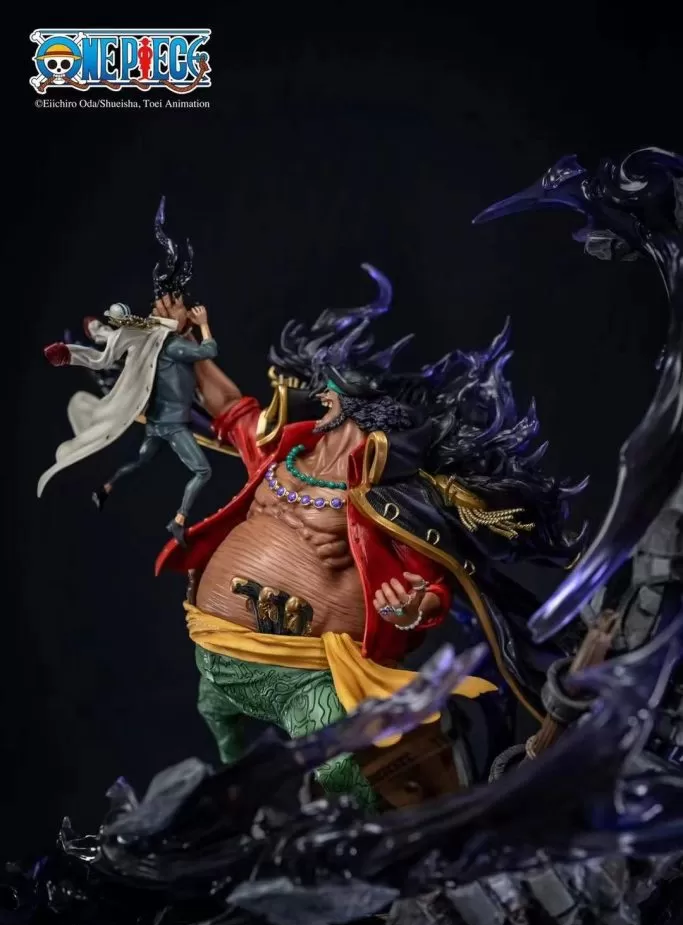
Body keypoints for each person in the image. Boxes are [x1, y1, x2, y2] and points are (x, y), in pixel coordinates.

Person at [155, 264, 585, 806]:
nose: (318, 395)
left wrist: (413, 606)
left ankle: (398, 838)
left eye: (329, 390)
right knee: (219, 729)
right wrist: (188, 344)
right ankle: (235, 806)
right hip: (214, 649)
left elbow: (431, 585)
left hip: (306, 680)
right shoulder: (281, 451)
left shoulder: (392, 500)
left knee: (342, 775)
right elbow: (229, 409)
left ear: (354, 407)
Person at [38, 198, 217, 546]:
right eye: (180, 306)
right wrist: (204, 324)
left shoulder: (155, 336)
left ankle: (107, 487)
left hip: (160, 420)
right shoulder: (170, 343)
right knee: (203, 470)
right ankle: (178, 521)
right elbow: (209, 351)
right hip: (174, 423)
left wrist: (87, 343)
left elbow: (118, 343)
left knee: (139, 461)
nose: (186, 309)